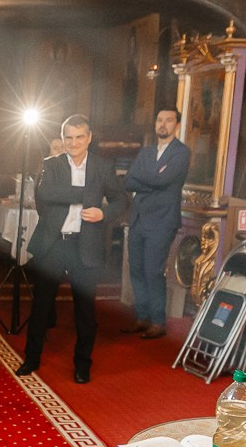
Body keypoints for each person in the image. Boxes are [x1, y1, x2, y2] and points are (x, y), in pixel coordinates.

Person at [18, 115, 118, 386]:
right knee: (40, 306)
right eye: (68, 138)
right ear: (63, 139)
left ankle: (83, 365)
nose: (73, 143)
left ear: (89, 138)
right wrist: (86, 194)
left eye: (79, 137)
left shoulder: (103, 167)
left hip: (84, 245)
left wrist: (104, 213)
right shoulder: (51, 165)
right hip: (53, 244)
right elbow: (47, 194)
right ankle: (31, 358)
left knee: (85, 310)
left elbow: (123, 201)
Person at [124, 108, 190, 340]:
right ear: (155, 124)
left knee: (153, 271)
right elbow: (129, 180)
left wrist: (146, 177)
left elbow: (164, 180)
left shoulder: (181, 153)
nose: (163, 124)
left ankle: (158, 321)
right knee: (136, 269)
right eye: (159, 119)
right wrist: (151, 178)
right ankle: (142, 317)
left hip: (162, 221)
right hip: (139, 218)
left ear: (177, 125)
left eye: (168, 120)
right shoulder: (147, 151)